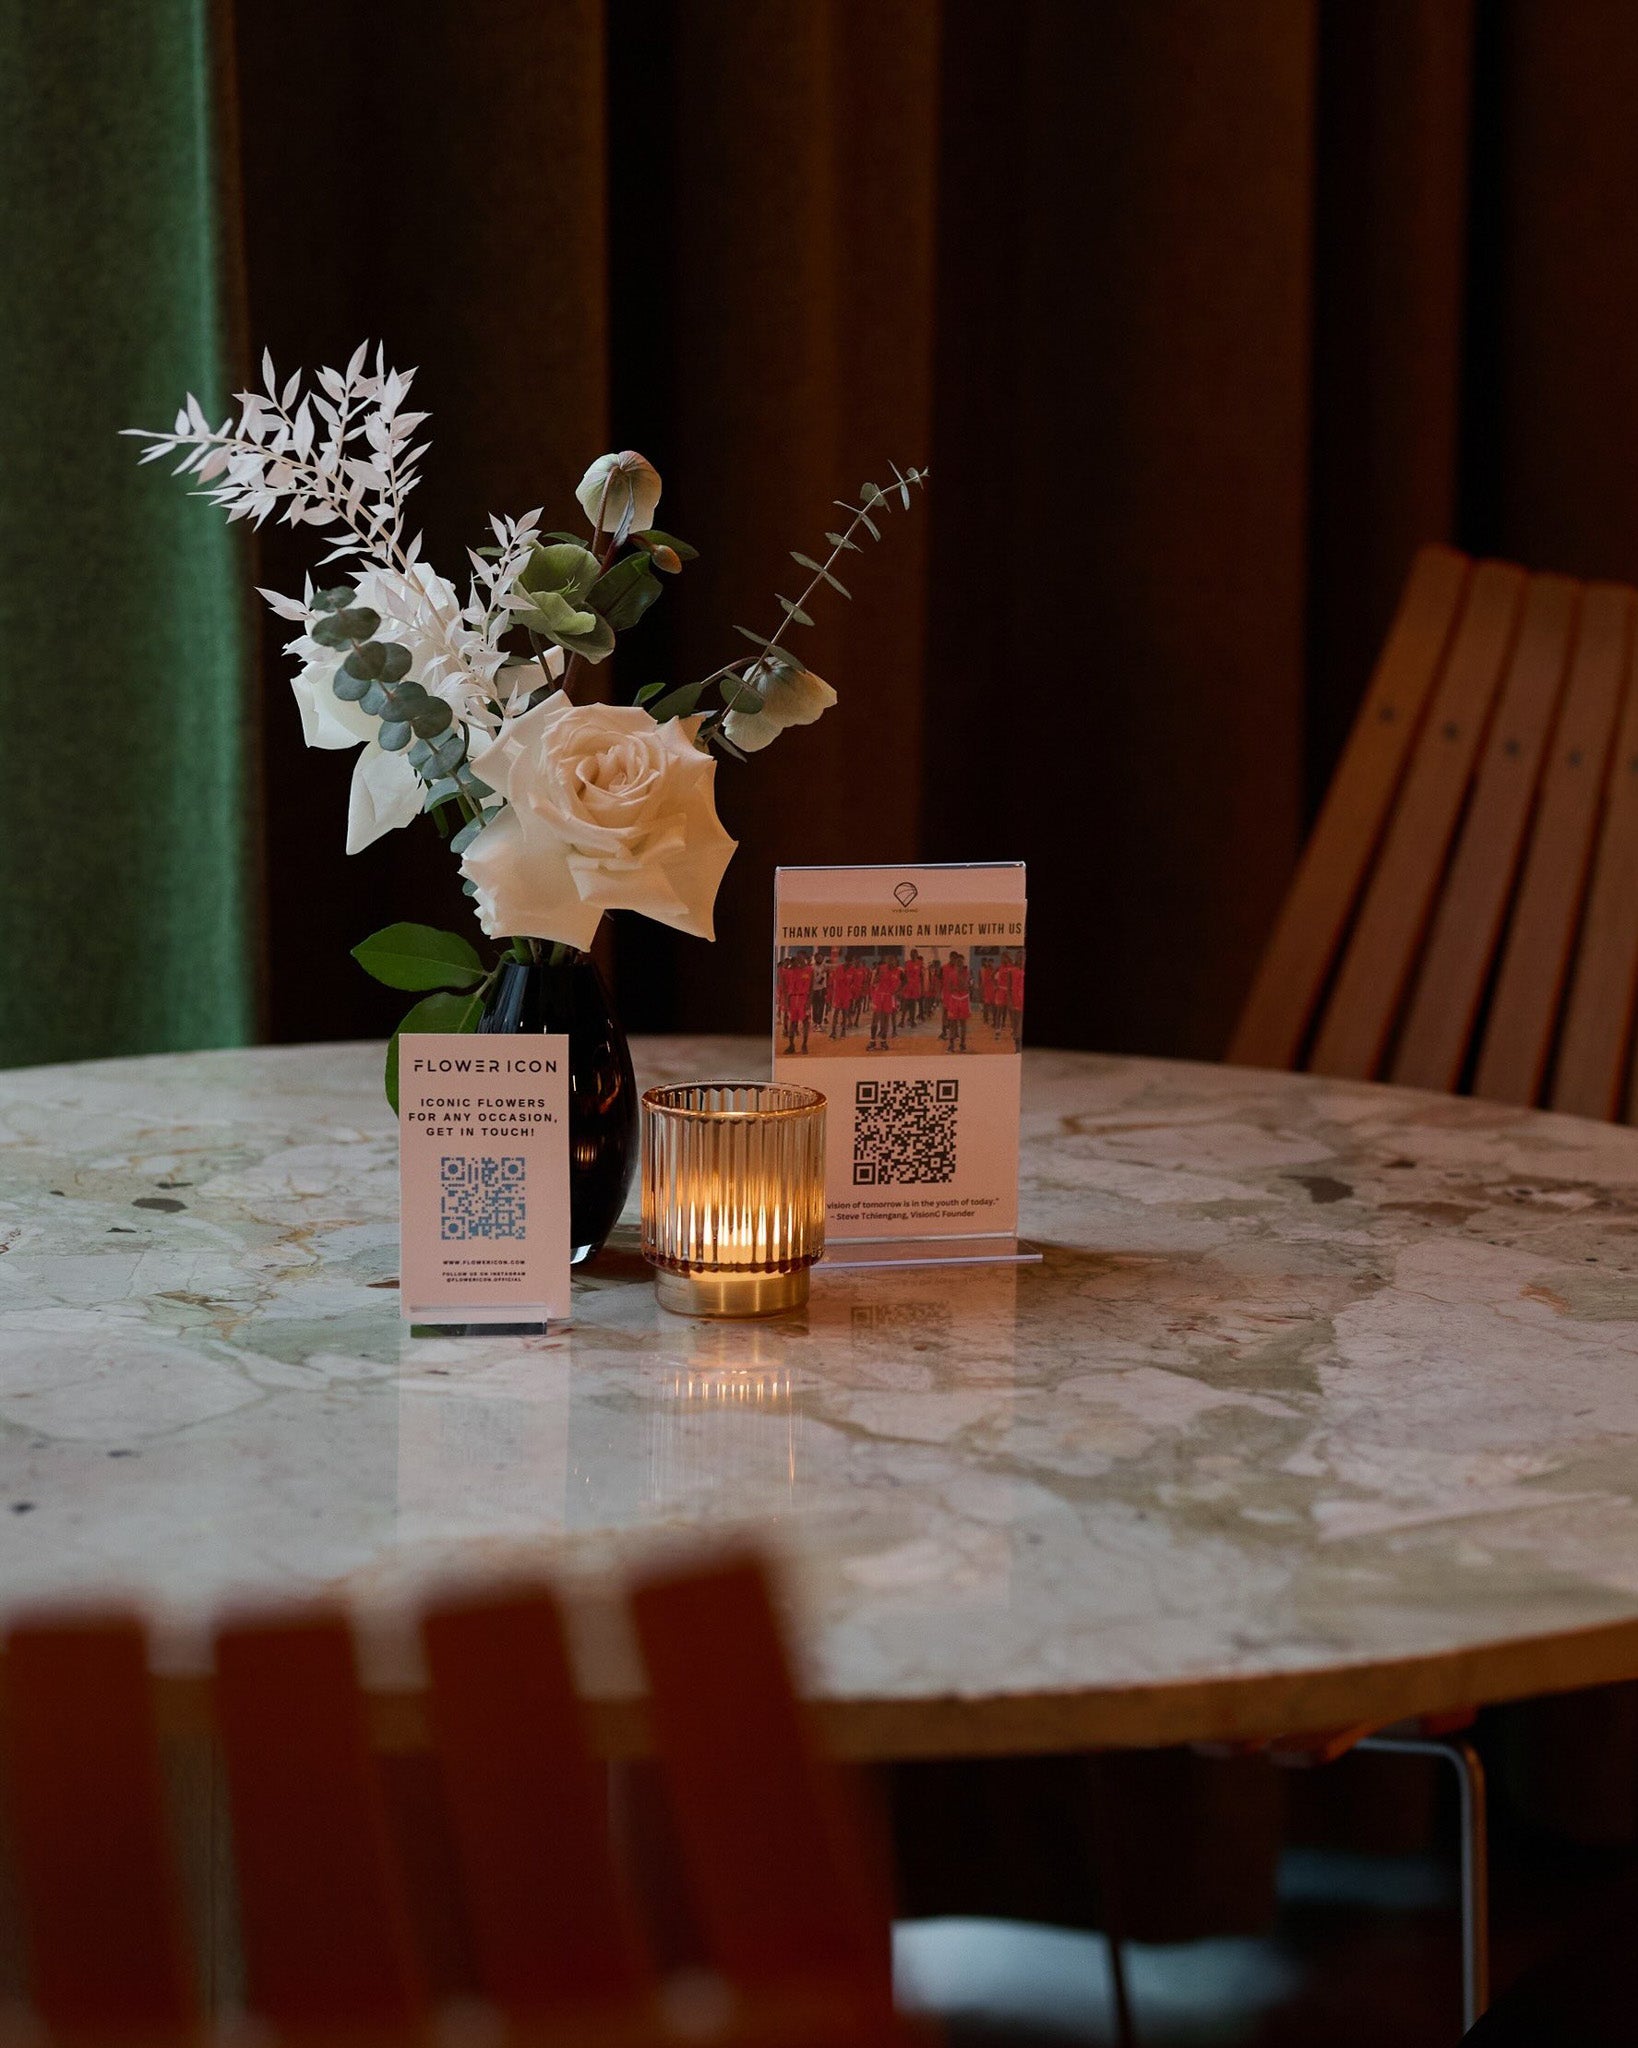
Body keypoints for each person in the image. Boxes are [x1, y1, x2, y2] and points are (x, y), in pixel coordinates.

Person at [781, 950, 813, 1055]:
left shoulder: (810, 970)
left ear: (805, 957)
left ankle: (804, 1044)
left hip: (804, 998)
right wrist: (786, 1002)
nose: (799, 958)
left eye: (801, 956)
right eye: (797, 956)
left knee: (805, 1021)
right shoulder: (791, 970)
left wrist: (809, 1001)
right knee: (792, 1022)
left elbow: (811, 987)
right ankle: (791, 1045)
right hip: (793, 999)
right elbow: (785, 986)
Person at [941, 949, 971, 1052]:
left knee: (963, 1023)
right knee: (952, 1023)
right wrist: (956, 988)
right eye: (958, 963)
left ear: (963, 963)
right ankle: (951, 1045)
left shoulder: (967, 973)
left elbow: (966, 987)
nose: (959, 964)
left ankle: (963, 1044)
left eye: (961, 962)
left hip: (964, 1000)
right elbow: (949, 988)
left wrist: (960, 981)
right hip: (954, 1000)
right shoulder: (951, 974)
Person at [869, 953, 900, 1049]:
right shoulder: (881, 968)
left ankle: (883, 1041)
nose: (891, 962)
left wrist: (897, 990)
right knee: (875, 1018)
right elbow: (873, 982)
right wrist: (878, 977)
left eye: (892, 960)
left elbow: (904, 981)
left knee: (885, 1020)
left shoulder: (898, 971)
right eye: (889, 960)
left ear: (895, 961)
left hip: (889, 997)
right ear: (886, 961)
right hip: (879, 995)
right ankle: (872, 1041)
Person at [902, 949, 925, 1034]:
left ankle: (912, 1020)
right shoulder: (907, 963)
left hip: (915, 987)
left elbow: (921, 976)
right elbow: (904, 976)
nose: (912, 955)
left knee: (913, 1004)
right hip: (908, 986)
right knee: (905, 1003)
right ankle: (902, 1020)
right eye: (911, 954)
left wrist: (922, 988)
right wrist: (903, 987)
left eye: (914, 954)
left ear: (917, 955)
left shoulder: (919, 963)